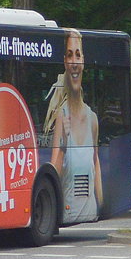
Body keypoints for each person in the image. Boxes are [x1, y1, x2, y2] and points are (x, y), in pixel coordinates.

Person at [49, 29, 103, 223]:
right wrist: (63, 145)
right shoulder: (60, 117)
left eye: (78, 55)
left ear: (83, 61)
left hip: (90, 208)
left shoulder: (93, 118)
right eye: (70, 55)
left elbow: (95, 164)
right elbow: (52, 175)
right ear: (65, 62)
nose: (74, 62)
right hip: (68, 209)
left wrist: (101, 207)